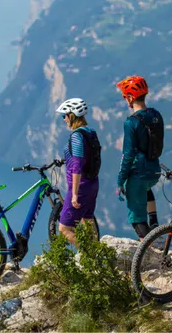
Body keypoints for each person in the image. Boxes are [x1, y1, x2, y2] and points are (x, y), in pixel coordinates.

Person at [115, 75, 165, 240]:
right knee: (146, 189)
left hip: (139, 174)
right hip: (154, 171)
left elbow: (127, 155)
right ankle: (155, 222)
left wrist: (120, 181)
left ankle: (150, 249)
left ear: (130, 98)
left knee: (137, 218)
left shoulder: (131, 123)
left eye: (125, 97)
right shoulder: (156, 114)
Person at [55, 97, 101, 247]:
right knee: (88, 221)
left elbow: (77, 165)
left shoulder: (76, 136)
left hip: (80, 187)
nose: (64, 119)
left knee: (64, 228)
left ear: (72, 115)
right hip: (93, 183)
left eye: (65, 116)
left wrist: (74, 194)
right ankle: (99, 256)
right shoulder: (90, 132)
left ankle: (91, 257)